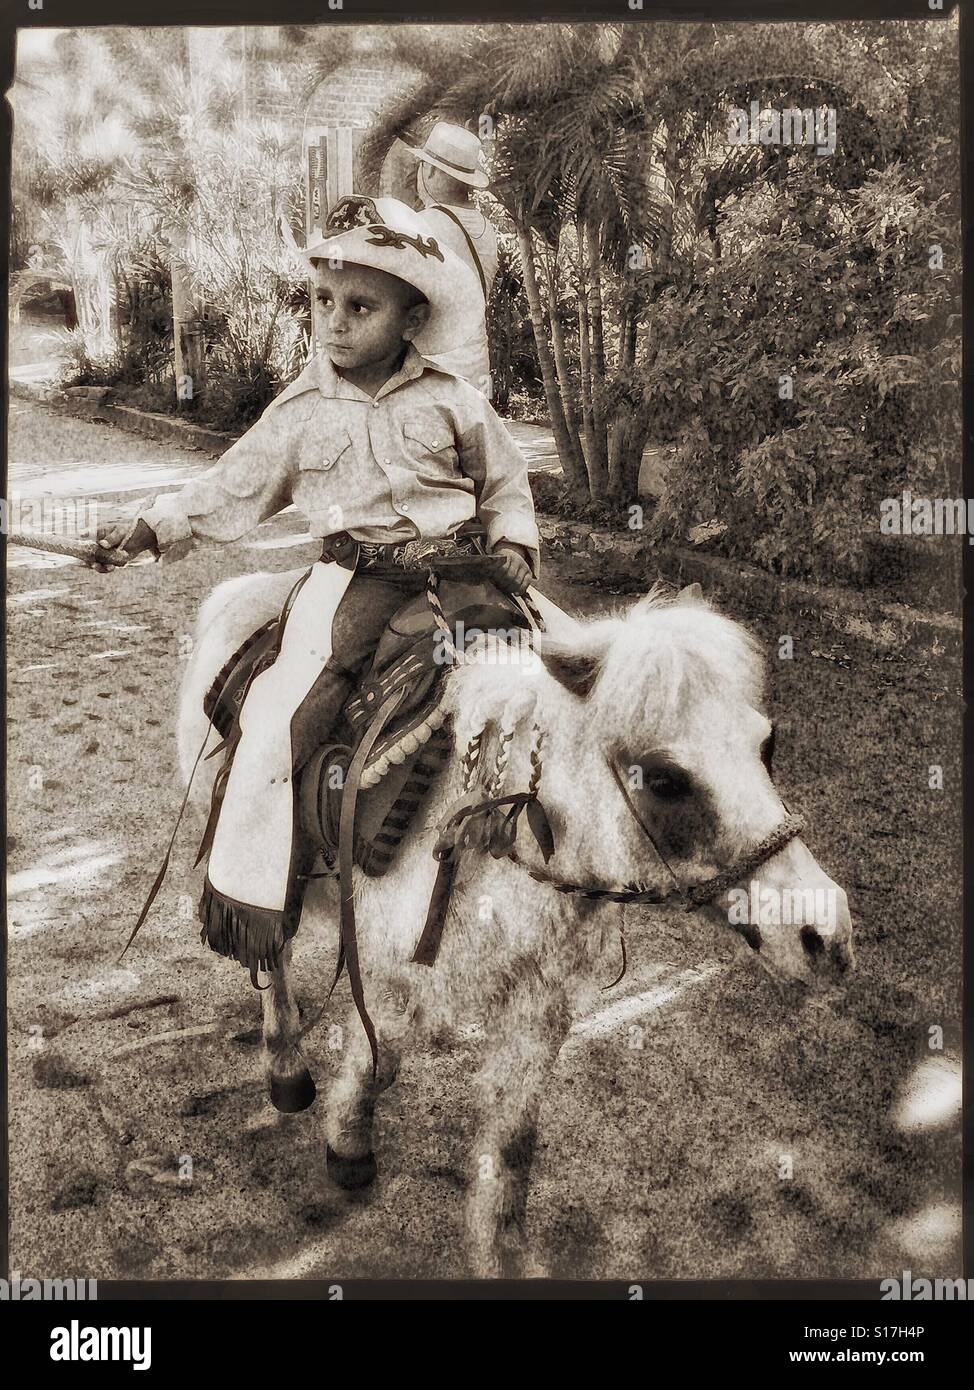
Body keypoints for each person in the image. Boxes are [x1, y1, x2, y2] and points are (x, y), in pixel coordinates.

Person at [95, 195, 541, 984]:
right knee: (281, 717)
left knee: (568, 672)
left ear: (410, 320)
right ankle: (263, 888)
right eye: (323, 301)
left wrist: (511, 543)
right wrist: (152, 525)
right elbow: (231, 486)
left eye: (360, 306)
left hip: (465, 576)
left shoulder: (453, 400)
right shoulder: (300, 411)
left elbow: (505, 483)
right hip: (358, 584)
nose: (333, 322)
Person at [404, 122, 499, 394]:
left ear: (431, 170)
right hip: (476, 373)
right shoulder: (487, 230)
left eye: (422, 165)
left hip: (432, 375)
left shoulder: (420, 225)